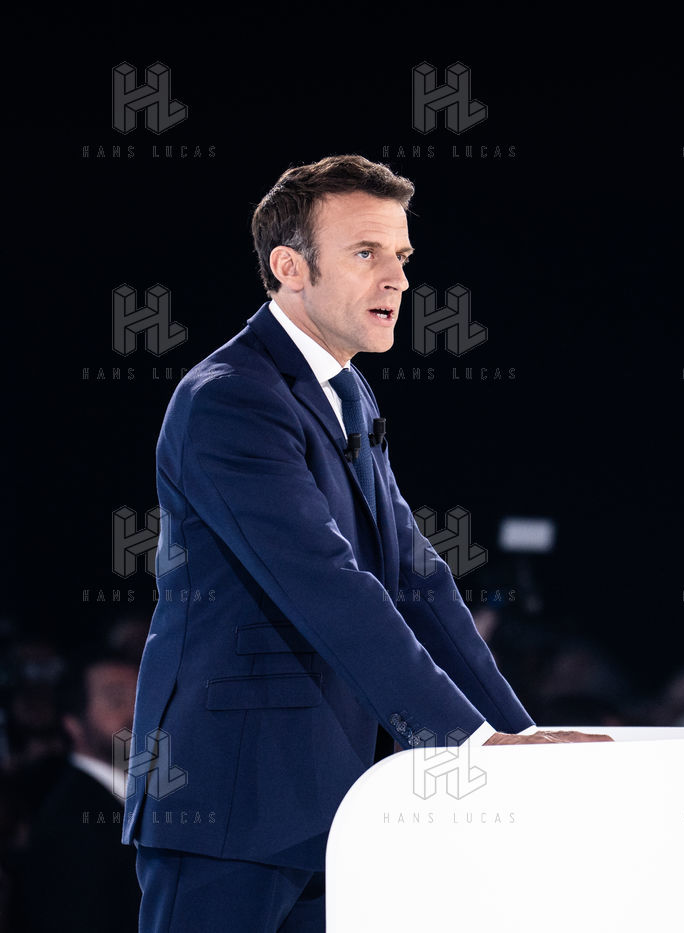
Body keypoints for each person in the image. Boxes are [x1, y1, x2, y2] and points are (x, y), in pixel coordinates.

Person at [121, 154, 607, 933]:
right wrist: (468, 737)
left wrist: (512, 733)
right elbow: (330, 585)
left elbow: (417, 579)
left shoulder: (348, 392)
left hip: (332, 810)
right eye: (366, 252)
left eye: (402, 256)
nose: (398, 279)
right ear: (289, 268)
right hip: (229, 807)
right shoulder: (231, 399)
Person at [13, 654, 141, 932]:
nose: (137, 713)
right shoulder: (67, 822)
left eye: (142, 698)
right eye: (117, 701)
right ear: (73, 724)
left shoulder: (141, 798)